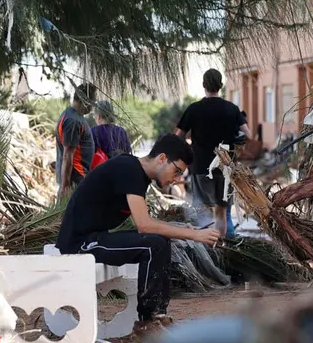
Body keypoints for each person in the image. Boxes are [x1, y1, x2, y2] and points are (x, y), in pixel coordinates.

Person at [55, 134, 219, 330]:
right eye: (176, 171)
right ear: (162, 159)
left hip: (95, 236)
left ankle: (158, 314)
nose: (176, 180)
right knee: (154, 245)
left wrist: (182, 228)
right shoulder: (129, 170)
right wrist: (195, 235)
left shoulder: (138, 175)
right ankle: (147, 322)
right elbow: (144, 225)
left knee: (159, 241)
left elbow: (146, 223)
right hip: (79, 243)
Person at [175, 69, 248, 236]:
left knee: (203, 212)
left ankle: (208, 249)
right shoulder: (232, 109)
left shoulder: (194, 109)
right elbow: (247, 135)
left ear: (203, 85)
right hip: (226, 168)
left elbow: (178, 136)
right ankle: (224, 248)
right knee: (223, 213)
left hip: (200, 167)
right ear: (221, 85)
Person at [56, 84, 97, 200]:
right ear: (85, 100)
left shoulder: (72, 116)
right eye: (93, 102)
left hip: (76, 180)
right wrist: (65, 186)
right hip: (74, 182)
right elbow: (67, 154)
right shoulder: (73, 121)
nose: (93, 106)